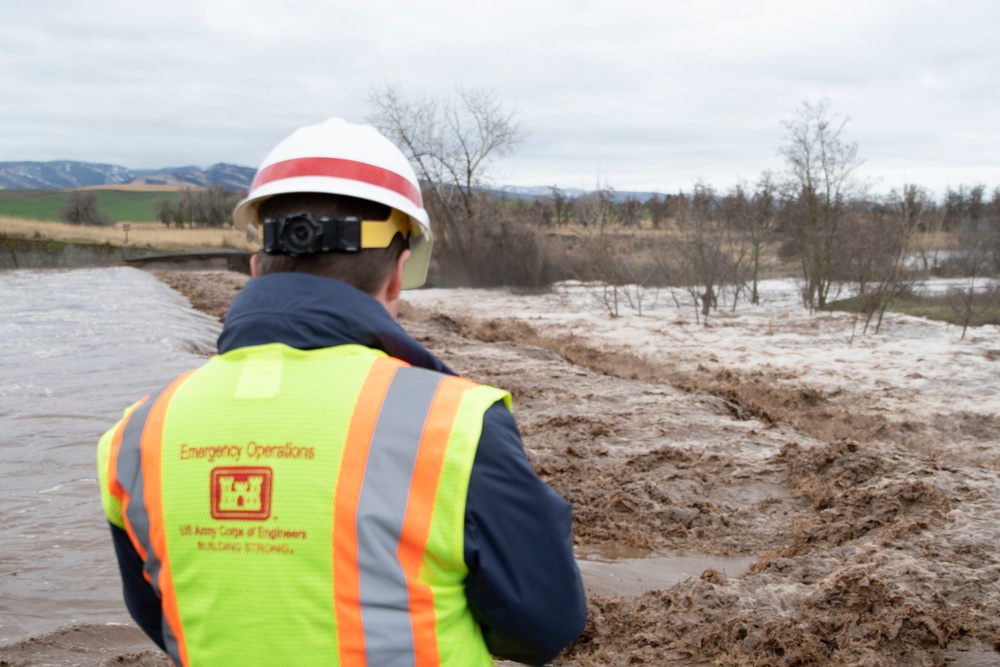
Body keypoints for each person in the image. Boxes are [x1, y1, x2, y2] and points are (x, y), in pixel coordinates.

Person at [97, 117, 587, 666]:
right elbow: (546, 626)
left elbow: (158, 612)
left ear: (257, 268)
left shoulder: (136, 434)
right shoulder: (455, 424)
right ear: (399, 273)